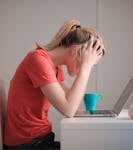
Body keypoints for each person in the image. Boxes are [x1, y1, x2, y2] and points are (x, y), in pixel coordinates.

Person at [3, 19, 105, 150]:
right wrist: (86, 67)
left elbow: (70, 100)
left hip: (42, 139)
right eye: (90, 63)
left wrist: (86, 65)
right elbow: (68, 110)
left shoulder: (55, 67)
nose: (89, 67)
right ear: (75, 51)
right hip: (26, 144)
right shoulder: (37, 59)